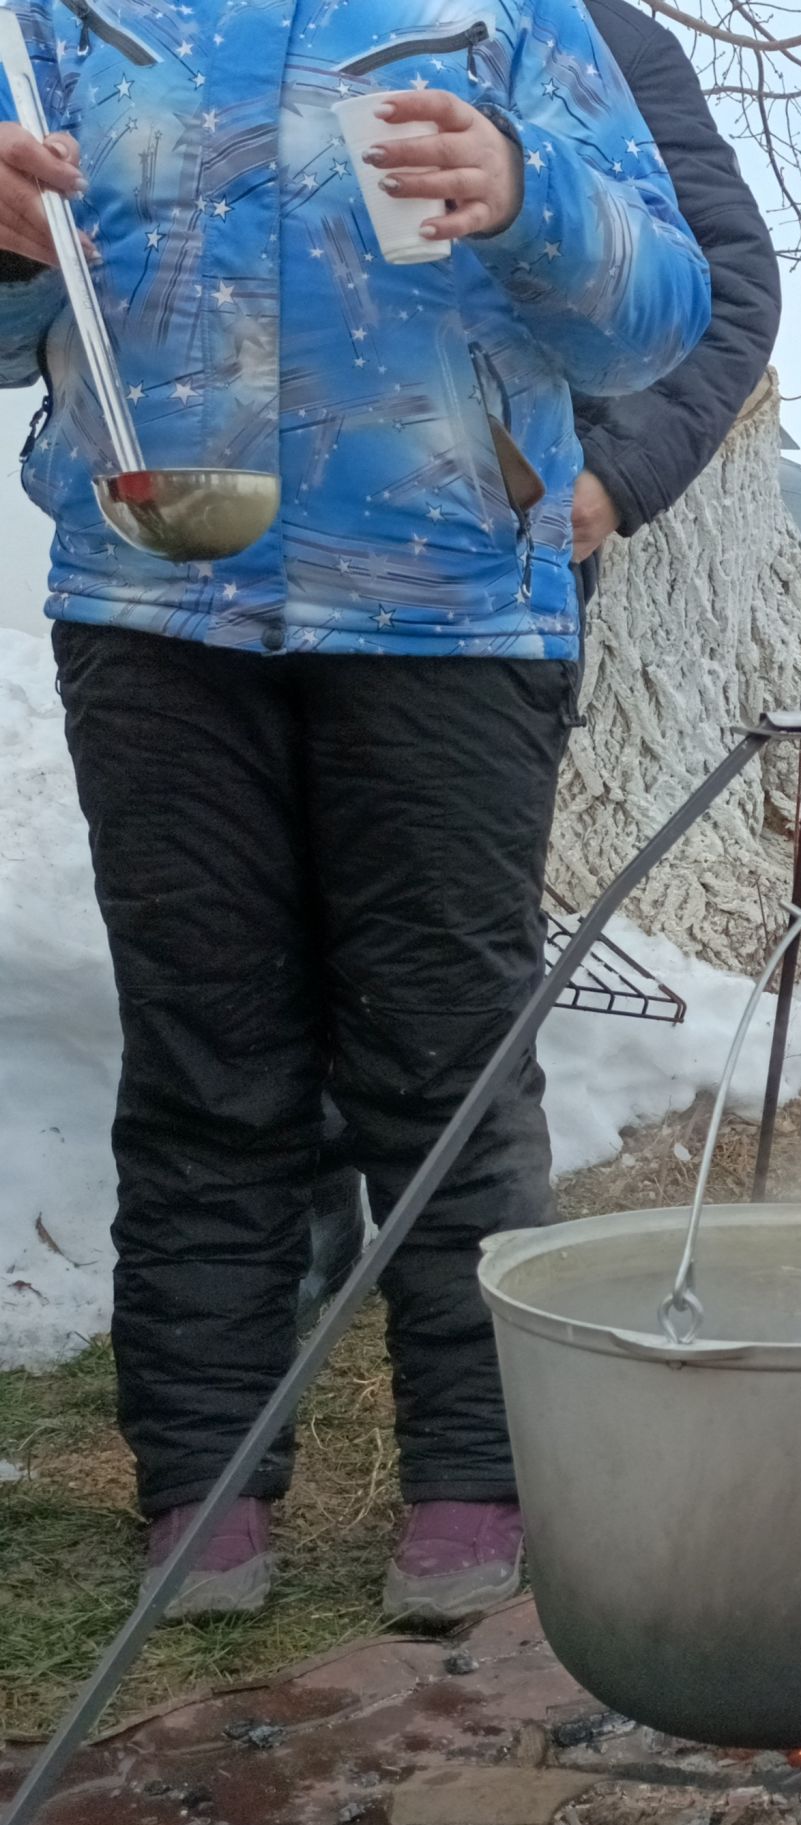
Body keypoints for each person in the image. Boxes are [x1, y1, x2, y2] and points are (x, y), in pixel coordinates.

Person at [0, 1, 712, 1626]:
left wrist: (537, 196)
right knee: (207, 1054)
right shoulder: (64, 22)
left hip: (453, 608)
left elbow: (659, 317)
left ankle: (475, 1480)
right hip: (156, 596)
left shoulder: (509, 16)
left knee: (446, 1061)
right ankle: (205, 1484)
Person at [299, 3, 784, 1348]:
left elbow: (726, 280)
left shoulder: (583, 31)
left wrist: (615, 477)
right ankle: (304, 1260)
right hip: (247, 590)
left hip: (478, 588)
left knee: (441, 970)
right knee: (255, 955)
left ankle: (474, 1347)